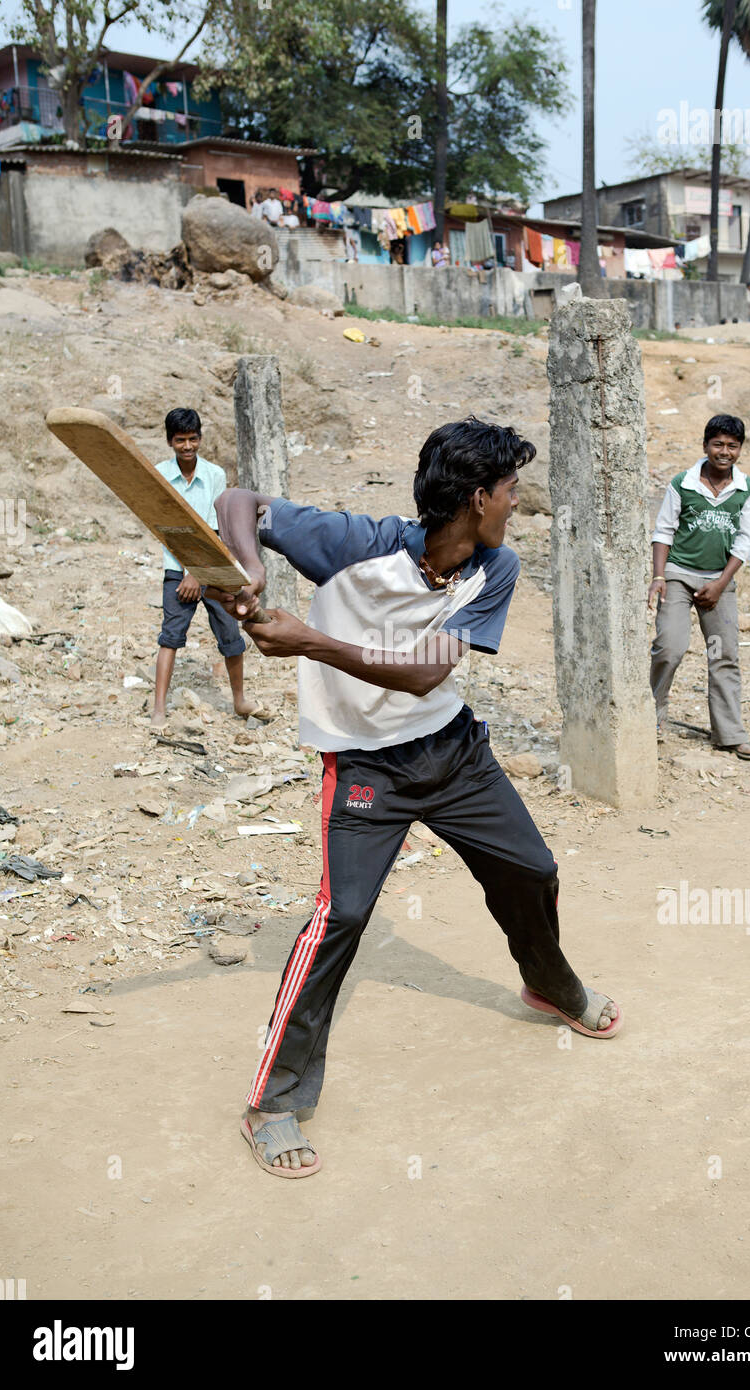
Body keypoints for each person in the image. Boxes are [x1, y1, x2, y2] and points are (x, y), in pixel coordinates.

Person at [210, 417, 623, 1178]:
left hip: (454, 751)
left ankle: (550, 983)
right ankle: (273, 1101)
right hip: (367, 767)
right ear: (476, 498)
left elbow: (426, 672)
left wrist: (308, 641)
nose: (517, 504)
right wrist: (247, 568)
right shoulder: (354, 545)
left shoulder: (493, 567)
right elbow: (240, 499)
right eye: (511, 491)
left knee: (532, 869)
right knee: (344, 916)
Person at [648, 414, 750, 760]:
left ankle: (729, 734)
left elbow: (744, 542)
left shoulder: (746, 490)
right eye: (718, 444)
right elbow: (664, 531)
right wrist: (659, 576)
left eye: (732, 446)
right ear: (705, 446)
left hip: (719, 582)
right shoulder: (684, 483)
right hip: (679, 576)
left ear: (740, 449)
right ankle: (648, 720)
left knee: (723, 654)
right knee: (670, 646)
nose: (724, 452)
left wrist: (721, 583)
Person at [150, 408, 259, 728]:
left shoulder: (214, 475)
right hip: (175, 569)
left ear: (200, 438)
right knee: (170, 637)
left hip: (213, 566)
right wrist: (185, 573)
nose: (187, 446)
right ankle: (159, 709)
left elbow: (215, 530)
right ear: (170, 441)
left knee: (229, 633)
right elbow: (166, 529)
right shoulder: (159, 474)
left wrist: (197, 574)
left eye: (193, 439)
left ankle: (239, 700)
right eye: (180, 440)